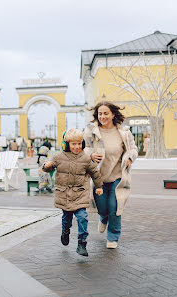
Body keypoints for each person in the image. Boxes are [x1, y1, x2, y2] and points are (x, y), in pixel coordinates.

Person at [84, 101, 138, 249]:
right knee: (102, 207)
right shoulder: (91, 131)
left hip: (118, 176)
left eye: (106, 113)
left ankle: (113, 237)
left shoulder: (124, 132)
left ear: (113, 114)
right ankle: (103, 218)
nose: (103, 116)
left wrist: (129, 158)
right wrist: (91, 154)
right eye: (100, 113)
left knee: (115, 206)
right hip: (98, 177)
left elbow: (133, 148)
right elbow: (84, 148)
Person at [43, 128, 103, 256]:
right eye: (73, 144)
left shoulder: (85, 158)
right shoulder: (58, 157)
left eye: (79, 143)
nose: (76, 146)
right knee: (67, 219)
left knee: (82, 217)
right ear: (66, 144)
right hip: (64, 195)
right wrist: (46, 166)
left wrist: (99, 187)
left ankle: (82, 243)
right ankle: (65, 231)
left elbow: (95, 173)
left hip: (80, 193)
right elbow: (50, 166)